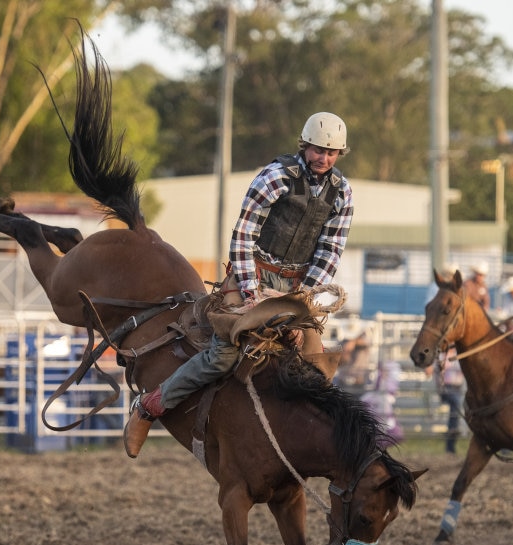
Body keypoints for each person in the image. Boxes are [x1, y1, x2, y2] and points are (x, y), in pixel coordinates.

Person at [124, 112, 353, 457]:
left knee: (315, 366)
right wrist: (253, 294)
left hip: (294, 288)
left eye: (331, 153)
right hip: (252, 274)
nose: (324, 158)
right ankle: (149, 408)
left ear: (339, 155)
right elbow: (244, 235)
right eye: (318, 149)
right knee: (222, 356)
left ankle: (299, 446)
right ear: (305, 146)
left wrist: (296, 299)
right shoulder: (275, 177)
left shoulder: (342, 194)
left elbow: (330, 250)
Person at [435, 352, 465, 454]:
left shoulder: (458, 355)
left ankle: (450, 445)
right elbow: (438, 372)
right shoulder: (442, 356)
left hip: (457, 388)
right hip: (447, 388)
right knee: (456, 405)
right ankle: (454, 431)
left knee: (454, 413)